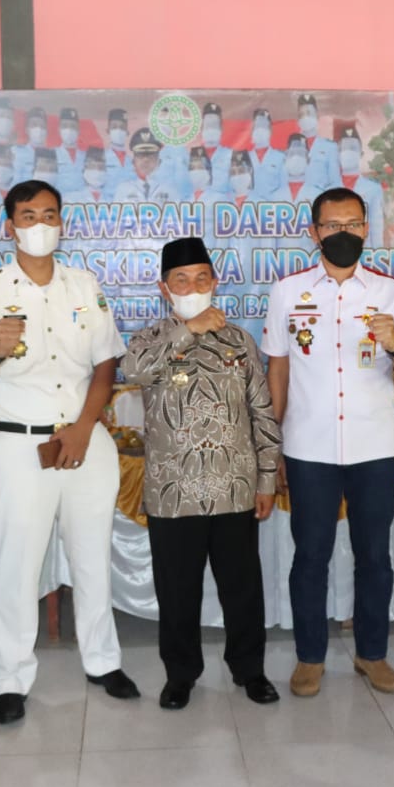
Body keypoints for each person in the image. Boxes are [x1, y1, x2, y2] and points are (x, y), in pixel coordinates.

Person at [0, 180, 139, 724]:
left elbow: (106, 363)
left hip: (86, 439)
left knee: (92, 557)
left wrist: (84, 427)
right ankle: (11, 678)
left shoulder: (83, 285)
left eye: (49, 214)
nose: (40, 225)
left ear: (63, 221)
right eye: (28, 215)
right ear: (9, 225)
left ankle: (103, 661)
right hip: (20, 445)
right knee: (15, 566)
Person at [261, 187, 394, 697]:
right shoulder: (287, 292)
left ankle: (372, 654)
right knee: (310, 556)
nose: (343, 233)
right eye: (332, 225)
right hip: (308, 448)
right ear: (314, 233)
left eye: (352, 224)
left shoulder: (393, 294)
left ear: (366, 229)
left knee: (374, 556)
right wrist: (273, 445)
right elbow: (278, 373)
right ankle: (309, 658)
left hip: (375, 448)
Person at [122, 237, 282, 710]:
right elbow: (133, 372)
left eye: (201, 278)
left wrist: (267, 478)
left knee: (242, 589)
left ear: (215, 282)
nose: (192, 288)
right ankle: (180, 675)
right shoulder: (150, 339)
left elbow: (262, 412)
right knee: (177, 592)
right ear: (164, 288)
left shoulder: (239, 341)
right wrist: (188, 330)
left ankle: (250, 670)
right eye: (181, 280)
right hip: (174, 491)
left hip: (235, 486)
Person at [337, 124, 383, 249]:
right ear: (338, 153)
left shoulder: (373, 189)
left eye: (352, 148)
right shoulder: (327, 189)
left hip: (364, 251)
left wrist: (378, 253)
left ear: (361, 153)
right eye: (344, 148)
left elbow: (376, 227)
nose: (348, 152)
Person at [113, 127, 180, 204]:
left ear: (159, 161)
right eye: (141, 155)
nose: (146, 160)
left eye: (151, 155)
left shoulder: (170, 190)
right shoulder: (123, 190)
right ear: (133, 162)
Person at [295, 93, 340, 191]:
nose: (305, 117)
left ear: (317, 115)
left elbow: (335, 182)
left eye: (309, 113)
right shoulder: (292, 148)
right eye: (301, 114)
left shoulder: (330, 147)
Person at [272, 133, 324, 206]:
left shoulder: (318, 195)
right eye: (292, 153)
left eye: (300, 153)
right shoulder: (275, 196)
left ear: (308, 159)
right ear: (285, 158)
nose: (296, 158)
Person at [246, 108, 286, 199]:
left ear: (270, 130)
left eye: (264, 126)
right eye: (257, 126)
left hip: (273, 205)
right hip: (250, 206)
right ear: (252, 130)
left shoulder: (280, 157)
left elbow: (284, 188)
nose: (260, 130)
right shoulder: (245, 158)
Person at [199, 101, 234, 195]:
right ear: (201, 128)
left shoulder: (231, 156)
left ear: (221, 128)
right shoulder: (192, 157)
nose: (211, 130)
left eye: (214, 125)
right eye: (208, 125)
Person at [103, 108, 136, 199]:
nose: (118, 130)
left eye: (122, 127)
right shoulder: (101, 159)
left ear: (127, 132)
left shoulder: (132, 162)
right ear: (108, 130)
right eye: (114, 127)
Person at [54, 107, 85, 193]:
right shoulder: (52, 154)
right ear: (59, 129)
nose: (69, 130)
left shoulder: (86, 156)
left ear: (79, 130)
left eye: (73, 126)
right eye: (65, 126)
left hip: (82, 199)